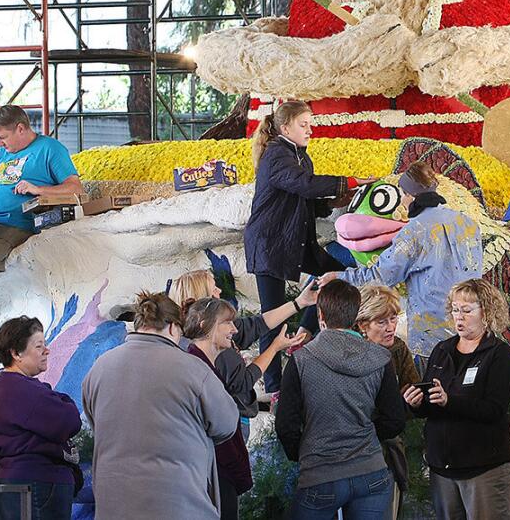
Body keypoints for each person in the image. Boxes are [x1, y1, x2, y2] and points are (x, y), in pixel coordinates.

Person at [245, 99, 367, 395]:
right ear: (285, 127)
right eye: (304, 124)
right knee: (271, 316)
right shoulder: (276, 155)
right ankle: (274, 387)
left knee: (335, 274)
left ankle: (303, 331)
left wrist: (340, 199)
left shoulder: (301, 156)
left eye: (310, 124)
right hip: (270, 243)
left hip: (294, 240)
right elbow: (305, 184)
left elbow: (306, 200)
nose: (310, 130)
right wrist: (346, 180)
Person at [82, 291, 240, 519]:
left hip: (113, 507)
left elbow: (94, 421)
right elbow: (226, 424)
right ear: (174, 328)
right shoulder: (193, 368)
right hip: (180, 506)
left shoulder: (99, 367)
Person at [0, 105, 84, 364]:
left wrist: (37, 188)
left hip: (15, 223)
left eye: (3, 137)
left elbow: (76, 186)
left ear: (21, 128)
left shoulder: (49, 149)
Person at [324, 164, 486, 362]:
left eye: (402, 193)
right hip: (471, 329)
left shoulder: (414, 231)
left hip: (432, 337)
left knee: (432, 391)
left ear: (409, 194)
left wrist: (339, 276)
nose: (401, 199)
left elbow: (381, 276)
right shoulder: (468, 223)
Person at [276, 279, 408, 520]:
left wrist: (303, 451)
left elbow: (286, 425)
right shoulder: (381, 358)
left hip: (320, 472)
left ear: (320, 315)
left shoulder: (301, 360)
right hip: (371, 471)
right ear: (356, 314)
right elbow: (395, 420)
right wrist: (365, 436)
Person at [404, 278, 510, 519]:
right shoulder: (441, 350)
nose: (459, 317)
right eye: (455, 310)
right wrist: (417, 403)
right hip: (442, 468)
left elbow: (493, 409)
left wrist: (450, 401)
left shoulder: (499, 354)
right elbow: (433, 404)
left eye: (467, 310)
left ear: (486, 312)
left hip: (483, 468)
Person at [183, 297, 297, 520]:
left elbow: (258, 324)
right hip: (212, 466)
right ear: (205, 324)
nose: (234, 329)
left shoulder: (203, 362)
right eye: (227, 323)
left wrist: (299, 303)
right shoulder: (196, 367)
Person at [171, 267, 314, 434]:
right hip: (232, 421)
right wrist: (275, 347)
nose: (220, 291)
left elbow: (256, 324)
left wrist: (299, 303)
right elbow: (243, 382)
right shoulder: (211, 346)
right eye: (214, 289)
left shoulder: (190, 336)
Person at [0, 316, 82, 520]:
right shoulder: (19, 388)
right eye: (39, 346)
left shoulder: (11, 387)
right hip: (36, 484)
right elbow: (69, 420)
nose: (46, 351)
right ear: (16, 353)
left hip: (26, 483)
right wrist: (62, 400)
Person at [357, 283, 421, 520]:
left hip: (390, 451)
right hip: (356, 453)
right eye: (382, 322)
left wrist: (414, 401)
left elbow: (412, 391)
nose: (391, 327)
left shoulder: (398, 350)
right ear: (363, 324)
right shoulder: (352, 355)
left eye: (393, 318)